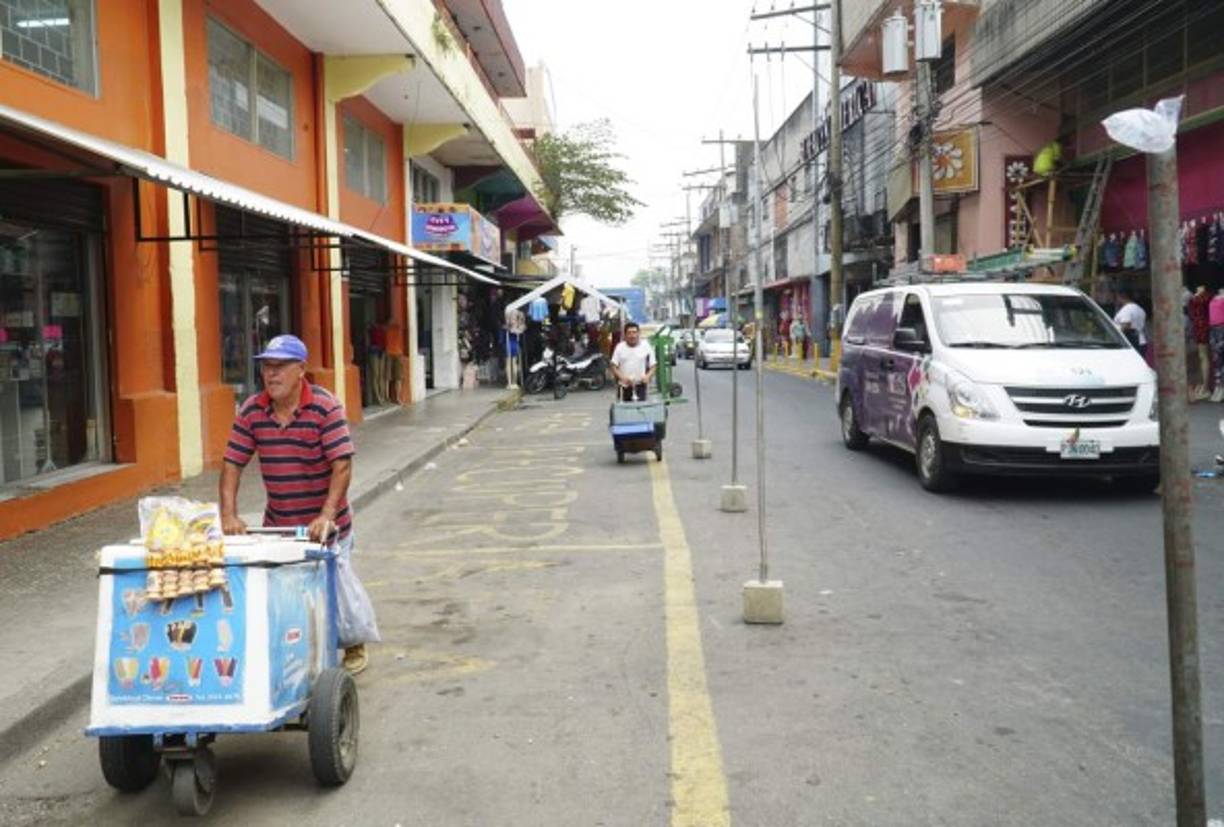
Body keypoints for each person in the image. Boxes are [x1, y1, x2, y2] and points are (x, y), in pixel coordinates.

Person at [220, 334, 376, 675]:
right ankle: (298, 653)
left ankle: (352, 642)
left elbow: (342, 464)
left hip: (328, 524)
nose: (271, 375)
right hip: (282, 525)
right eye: (265, 368)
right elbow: (233, 462)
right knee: (289, 595)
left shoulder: (325, 407)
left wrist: (327, 515)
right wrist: (229, 515)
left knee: (335, 594)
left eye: (279, 367)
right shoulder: (252, 410)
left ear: (301, 369)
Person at [610, 321, 656, 402]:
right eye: (629, 333)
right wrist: (622, 378)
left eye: (634, 332)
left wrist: (648, 376)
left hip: (640, 386)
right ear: (625, 335)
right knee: (623, 412)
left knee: (641, 411)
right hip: (624, 387)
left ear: (639, 333)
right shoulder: (620, 347)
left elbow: (653, 365)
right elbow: (613, 366)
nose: (632, 335)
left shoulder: (646, 346)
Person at [1113, 290, 1146, 354]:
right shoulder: (1140, 309)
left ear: (1120, 297)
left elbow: (1126, 325)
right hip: (1141, 341)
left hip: (1131, 343)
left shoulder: (1127, 309)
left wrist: (1115, 336)